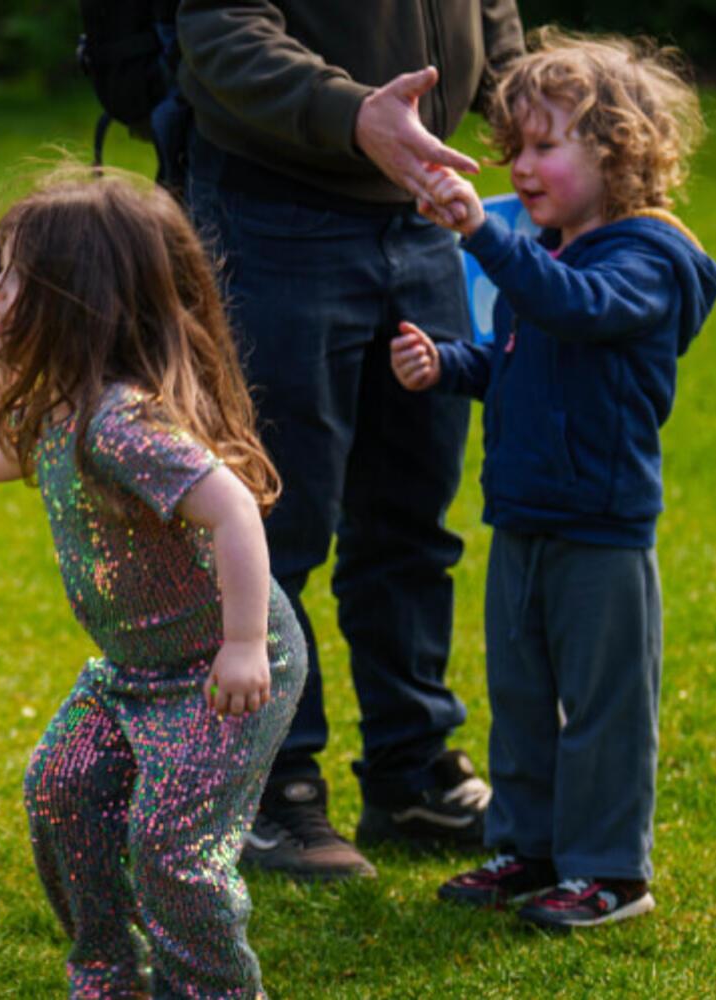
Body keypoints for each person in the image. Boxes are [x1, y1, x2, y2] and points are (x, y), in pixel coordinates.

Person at [174, 0, 525, 878]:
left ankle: (413, 771)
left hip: (424, 211)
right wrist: (352, 111)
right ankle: (271, 786)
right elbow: (219, 29)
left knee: (413, 519)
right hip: (276, 217)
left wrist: (529, 97)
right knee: (269, 521)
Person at [388, 30, 716, 930]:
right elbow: (518, 357)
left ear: (617, 152)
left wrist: (482, 239)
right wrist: (449, 363)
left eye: (544, 147)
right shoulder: (557, 253)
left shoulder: (644, 259)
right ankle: (528, 850)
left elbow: (574, 315)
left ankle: (612, 873)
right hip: (524, 518)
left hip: (601, 527)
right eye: (514, 150)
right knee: (524, 699)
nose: (520, 168)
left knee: (604, 708)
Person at [0, 166, 305, 997]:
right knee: (62, 790)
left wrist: (241, 645)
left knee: (174, 849)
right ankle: (107, 973)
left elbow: (234, 511)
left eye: (16, 277)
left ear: (78, 296)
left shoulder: (122, 422)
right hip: (129, 676)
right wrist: (4, 352)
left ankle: (216, 991)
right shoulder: (56, 409)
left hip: (215, 678)